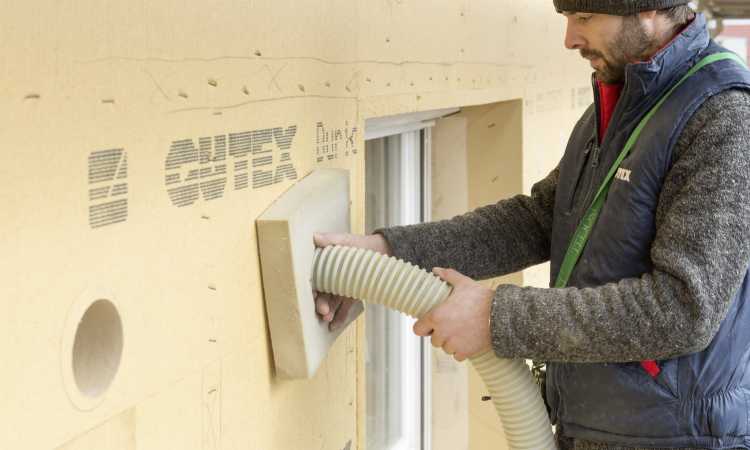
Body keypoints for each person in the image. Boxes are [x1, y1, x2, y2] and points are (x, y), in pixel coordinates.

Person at [315, 1, 750, 449]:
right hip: (597, 428)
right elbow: (539, 219)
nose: (570, 39)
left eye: (584, 18)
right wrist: (386, 253)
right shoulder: (622, 103)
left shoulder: (722, 115)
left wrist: (495, 317)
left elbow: (683, 310)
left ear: (648, 10)